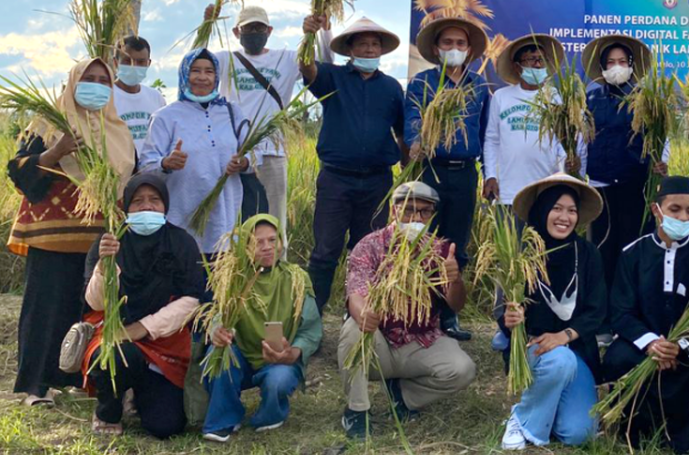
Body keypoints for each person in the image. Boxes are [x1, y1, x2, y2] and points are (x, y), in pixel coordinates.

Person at [5, 58, 136, 406]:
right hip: (52, 236)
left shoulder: (118, 130)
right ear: (72, 82)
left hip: (99, 236)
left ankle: (82, 379)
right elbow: (17, 170)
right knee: (46, 309)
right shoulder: (50, 124)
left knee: (90, 309)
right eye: (88, 78)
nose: (95, 85)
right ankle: (37, 386)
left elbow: (125, 181)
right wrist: (58, 150)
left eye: (102, 80)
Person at [338, 182, 476, 439]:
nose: (416, 218)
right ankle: (357, 410)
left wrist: (455, 279)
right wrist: (363, 313)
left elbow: (456, 304)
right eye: (409, 210)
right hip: (378, 342)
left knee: (462, 369)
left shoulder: (439, 250)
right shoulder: (369, 246)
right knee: (352, 329)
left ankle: (403, 396)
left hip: (420, 341)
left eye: (425, 212)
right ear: (393, 210)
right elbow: (354, 291)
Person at [604, 176, 689, 454]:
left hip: (688, 351)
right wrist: (651, 344)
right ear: (657, 211)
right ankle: (635, 422)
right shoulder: (632, 254)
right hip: (643, 348)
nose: (683, 217)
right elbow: (620, 312)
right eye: (675, 210)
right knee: (616, 358)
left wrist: (677, 349)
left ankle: (686, 429)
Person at [82, 172, 205, 437]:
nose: (147, 206)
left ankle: (137, 393)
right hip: (115, 336)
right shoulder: (110, 241)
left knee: (165, 426)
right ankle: (108, 410)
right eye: (137, 201)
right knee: (117, 356)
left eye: (154, 199)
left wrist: (143, 328)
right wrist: (105, 265)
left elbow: (193, 299)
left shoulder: (182, 243)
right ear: (126, 207)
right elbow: (94, 302)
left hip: (162, 341)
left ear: (165, 205)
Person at [299, 16, 406, 312]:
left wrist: (409, 172)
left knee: (368, 251)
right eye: (363, 44)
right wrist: (308, 37)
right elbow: (307, 69)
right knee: (324, 252)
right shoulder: (331, 77)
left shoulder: (392, 88)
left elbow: (402, 133)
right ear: (350, 49)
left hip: (377, 181)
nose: (370, 49)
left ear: (381, 51)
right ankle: (312, 317)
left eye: (375, 45)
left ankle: (358, 315)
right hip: (336, 179)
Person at [498, 173, 607, 450]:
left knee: (577, 434)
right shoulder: (521, 255)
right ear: (542, 210)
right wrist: (511, 320)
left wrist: (564, 336)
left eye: (571, 210)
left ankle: (550, 403)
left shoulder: (588, 254)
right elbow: (504, 311)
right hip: (534, 349)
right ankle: (522, 420)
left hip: (576, 349)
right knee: (559, 361)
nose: (564, 217)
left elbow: (597, 311)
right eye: (556, 208)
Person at [210, 4, 323, 248]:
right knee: (232, 219)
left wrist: (316, 32)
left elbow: (321, 65)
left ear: (269, 30)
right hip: (233, 153)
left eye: (259, 28)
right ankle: (233, 269)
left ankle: (273, 272)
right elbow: (193, 69)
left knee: (274, 218)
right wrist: (207, 26)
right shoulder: (224, 59)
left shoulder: (287, 58)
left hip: (272, 152)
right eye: (248, 28)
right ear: (236, 33)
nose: (254, 32)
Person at [202, 214, 322, 443]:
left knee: (279, 380)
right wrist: (218, 332)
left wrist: (292, 353)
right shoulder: (233, 278)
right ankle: (224, 418)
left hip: (280, 359)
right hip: (243, 355)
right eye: (258, 242)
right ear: (244, 247)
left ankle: (270, 414)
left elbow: (311, 329)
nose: (267, 248)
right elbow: (217, 316)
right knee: (217, 357)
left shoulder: (296, 278)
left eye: (273, 240)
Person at [407, 15, 491, 342]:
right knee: (421, 243)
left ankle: (447, 315)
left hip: (465, 174)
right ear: (437, 48)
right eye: (448, 43)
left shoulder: (479, 87)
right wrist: (418, 140)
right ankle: (417, 313)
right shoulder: (422, 83)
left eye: (460, 44)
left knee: (456, 247)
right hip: (431, 171)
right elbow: (413, 118)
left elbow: (485, 132)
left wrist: (488, 173)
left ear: (469, 50)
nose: (454, 49)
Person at [141, 48, 252, 256]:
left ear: (216, 76)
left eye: (209, 71)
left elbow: (255, 155)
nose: (202, 77)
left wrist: (243, 162)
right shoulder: (165, 117)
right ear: (184, 74)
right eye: (195, 71)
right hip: (182, 219)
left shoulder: (232, 112)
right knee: (187, 281)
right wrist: (165, 163)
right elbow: (146, 167)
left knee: (221, 279)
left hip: (225, 219)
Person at [582, 34, 666, 283]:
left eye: (621, 61)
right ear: (602, 67)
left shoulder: (646, 99)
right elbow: (582, 139)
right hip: (601, 184)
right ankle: (602, 308)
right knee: (601, 245)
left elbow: (663, 135)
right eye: (610, 62)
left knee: (632, 245)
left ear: (630, 65)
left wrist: (663, 162)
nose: (616, 66)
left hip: (635, 183)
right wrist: (576, 166)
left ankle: (628, 307)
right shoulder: (591, 99)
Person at [484, 34, 582, 207]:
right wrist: (490, 175)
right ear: (517, 66)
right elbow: (492, 140)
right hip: (507, 189)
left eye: (541, 59)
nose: (538, 64)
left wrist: (569, 161)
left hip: (545, 185)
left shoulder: (555, 97)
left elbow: (562, 140)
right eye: (531, 59)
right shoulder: (501, 97)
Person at [111, 34, 167, 156]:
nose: (134, 66)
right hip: (119, 172)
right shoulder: (106, 97)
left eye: (140, 62)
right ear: (115, 63)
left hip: (152, 171)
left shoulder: (156, 98)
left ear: (148, 63)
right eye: (127, 61)